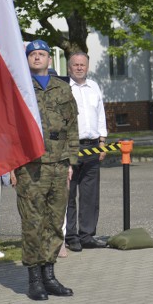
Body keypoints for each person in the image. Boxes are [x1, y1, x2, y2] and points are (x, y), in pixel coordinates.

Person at [11, 40, 78, 301]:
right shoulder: (19, 89)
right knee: (32, 223)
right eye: (33, 55)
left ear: (50, 59)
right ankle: (34, 279)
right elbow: (11, 130)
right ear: (26, 59)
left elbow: (72, 125)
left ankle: (49, 275)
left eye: (42, 54)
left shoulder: (62, 88)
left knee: (54, 222)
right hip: (30, 166)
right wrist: (12, 165)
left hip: (59, 164)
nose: (37, 58)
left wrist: (71, 160)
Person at [65, 51, 108, 252]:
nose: (79, 67)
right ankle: (71, 235)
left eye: (82, 64)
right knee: (69, 191)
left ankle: (87, 234)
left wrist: (102, 140)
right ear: (69, 67)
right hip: (72, 146)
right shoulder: (65, 89)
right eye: (76, 64)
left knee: (90, 193)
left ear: (87, 67)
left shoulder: (94, 87)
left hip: (92, 145)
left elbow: (100, 115)